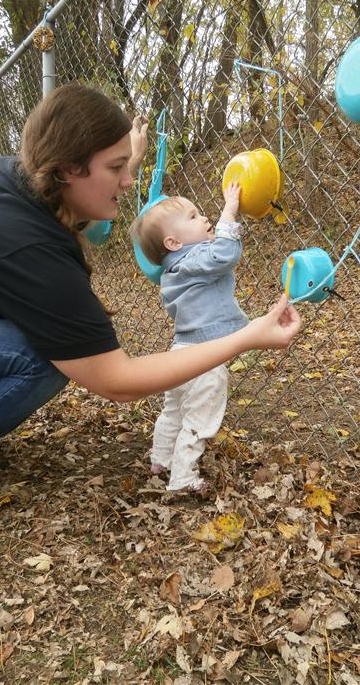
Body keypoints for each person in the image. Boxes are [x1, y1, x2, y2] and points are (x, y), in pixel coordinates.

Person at [0, 82, 302, 520]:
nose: (128, 181)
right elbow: (116, 380)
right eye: (117, 167)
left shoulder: (18, 181)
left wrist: (126, 158)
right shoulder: (25, 247)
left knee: (43, 341)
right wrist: (245, 337)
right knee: (43, 354)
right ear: (67, 169)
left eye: (128, 164)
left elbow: (80, 205)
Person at [130, 182, 250, 494]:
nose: (204, 217)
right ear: (173, 242)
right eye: (193, 216)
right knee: (200, 415)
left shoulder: (173, 270)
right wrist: (229, 212)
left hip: (180, 353)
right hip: (204, 357)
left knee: (174, 409)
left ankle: (161, 459)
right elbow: (224, 254)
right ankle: (183, 477)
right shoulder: (193, 262)